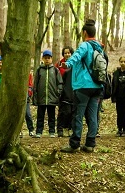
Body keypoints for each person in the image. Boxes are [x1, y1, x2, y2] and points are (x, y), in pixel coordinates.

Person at [60, 19, 106, 153]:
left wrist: (66, 64)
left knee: (78, 115)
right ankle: (90, 143)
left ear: (84, 32)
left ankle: (74, 144)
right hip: (97, 86)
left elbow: (76, 56)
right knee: (92, 116)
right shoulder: (99, 47)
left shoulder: (85, 45)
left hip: (83, 86)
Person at [32, 49, 62, 137]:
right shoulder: (39, 70)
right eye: (45, 58)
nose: (47, 60)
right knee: (40, 116)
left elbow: (59, 82)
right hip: (41, 97)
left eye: (49, 58)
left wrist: (58, 92)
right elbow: (35, 84)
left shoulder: (55, 70)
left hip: (52, 97)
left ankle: (52, 131)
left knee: (51, 116)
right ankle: (39, 131)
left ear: (51, 59)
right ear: (43, 59)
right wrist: (35, 96)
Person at [110, 56, 125, 136]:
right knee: (119, 113)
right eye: (121, 62)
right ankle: (119, 128)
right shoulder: (116, 73)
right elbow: (113, 85)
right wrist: (113, 96)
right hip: (119, 96)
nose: (123, 63)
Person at [56, 46, 74, 137]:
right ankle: (60, 129)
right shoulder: (59, 64)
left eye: (69, 53)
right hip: (62, 90)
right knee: (63, 111)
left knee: (72, 112)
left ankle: (69, 128)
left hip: (73, 90)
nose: (67, 54)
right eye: (65, 53)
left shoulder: (75, 64)